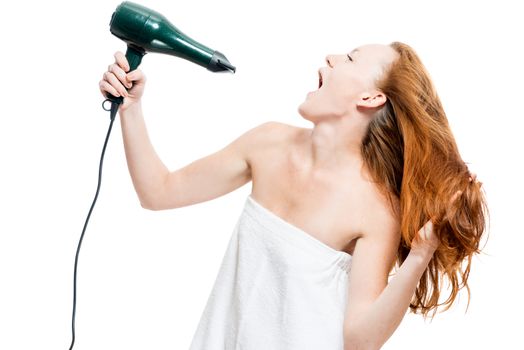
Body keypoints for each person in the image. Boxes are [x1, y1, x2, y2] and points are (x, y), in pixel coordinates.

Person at [99, 42, 488, 349]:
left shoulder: (374, 209)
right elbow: (158, 192)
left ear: (370, 98)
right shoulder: (268, 144)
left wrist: (419, 257)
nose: (332, 57)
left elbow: (360, 340)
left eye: (350, 58)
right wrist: (131, 109)